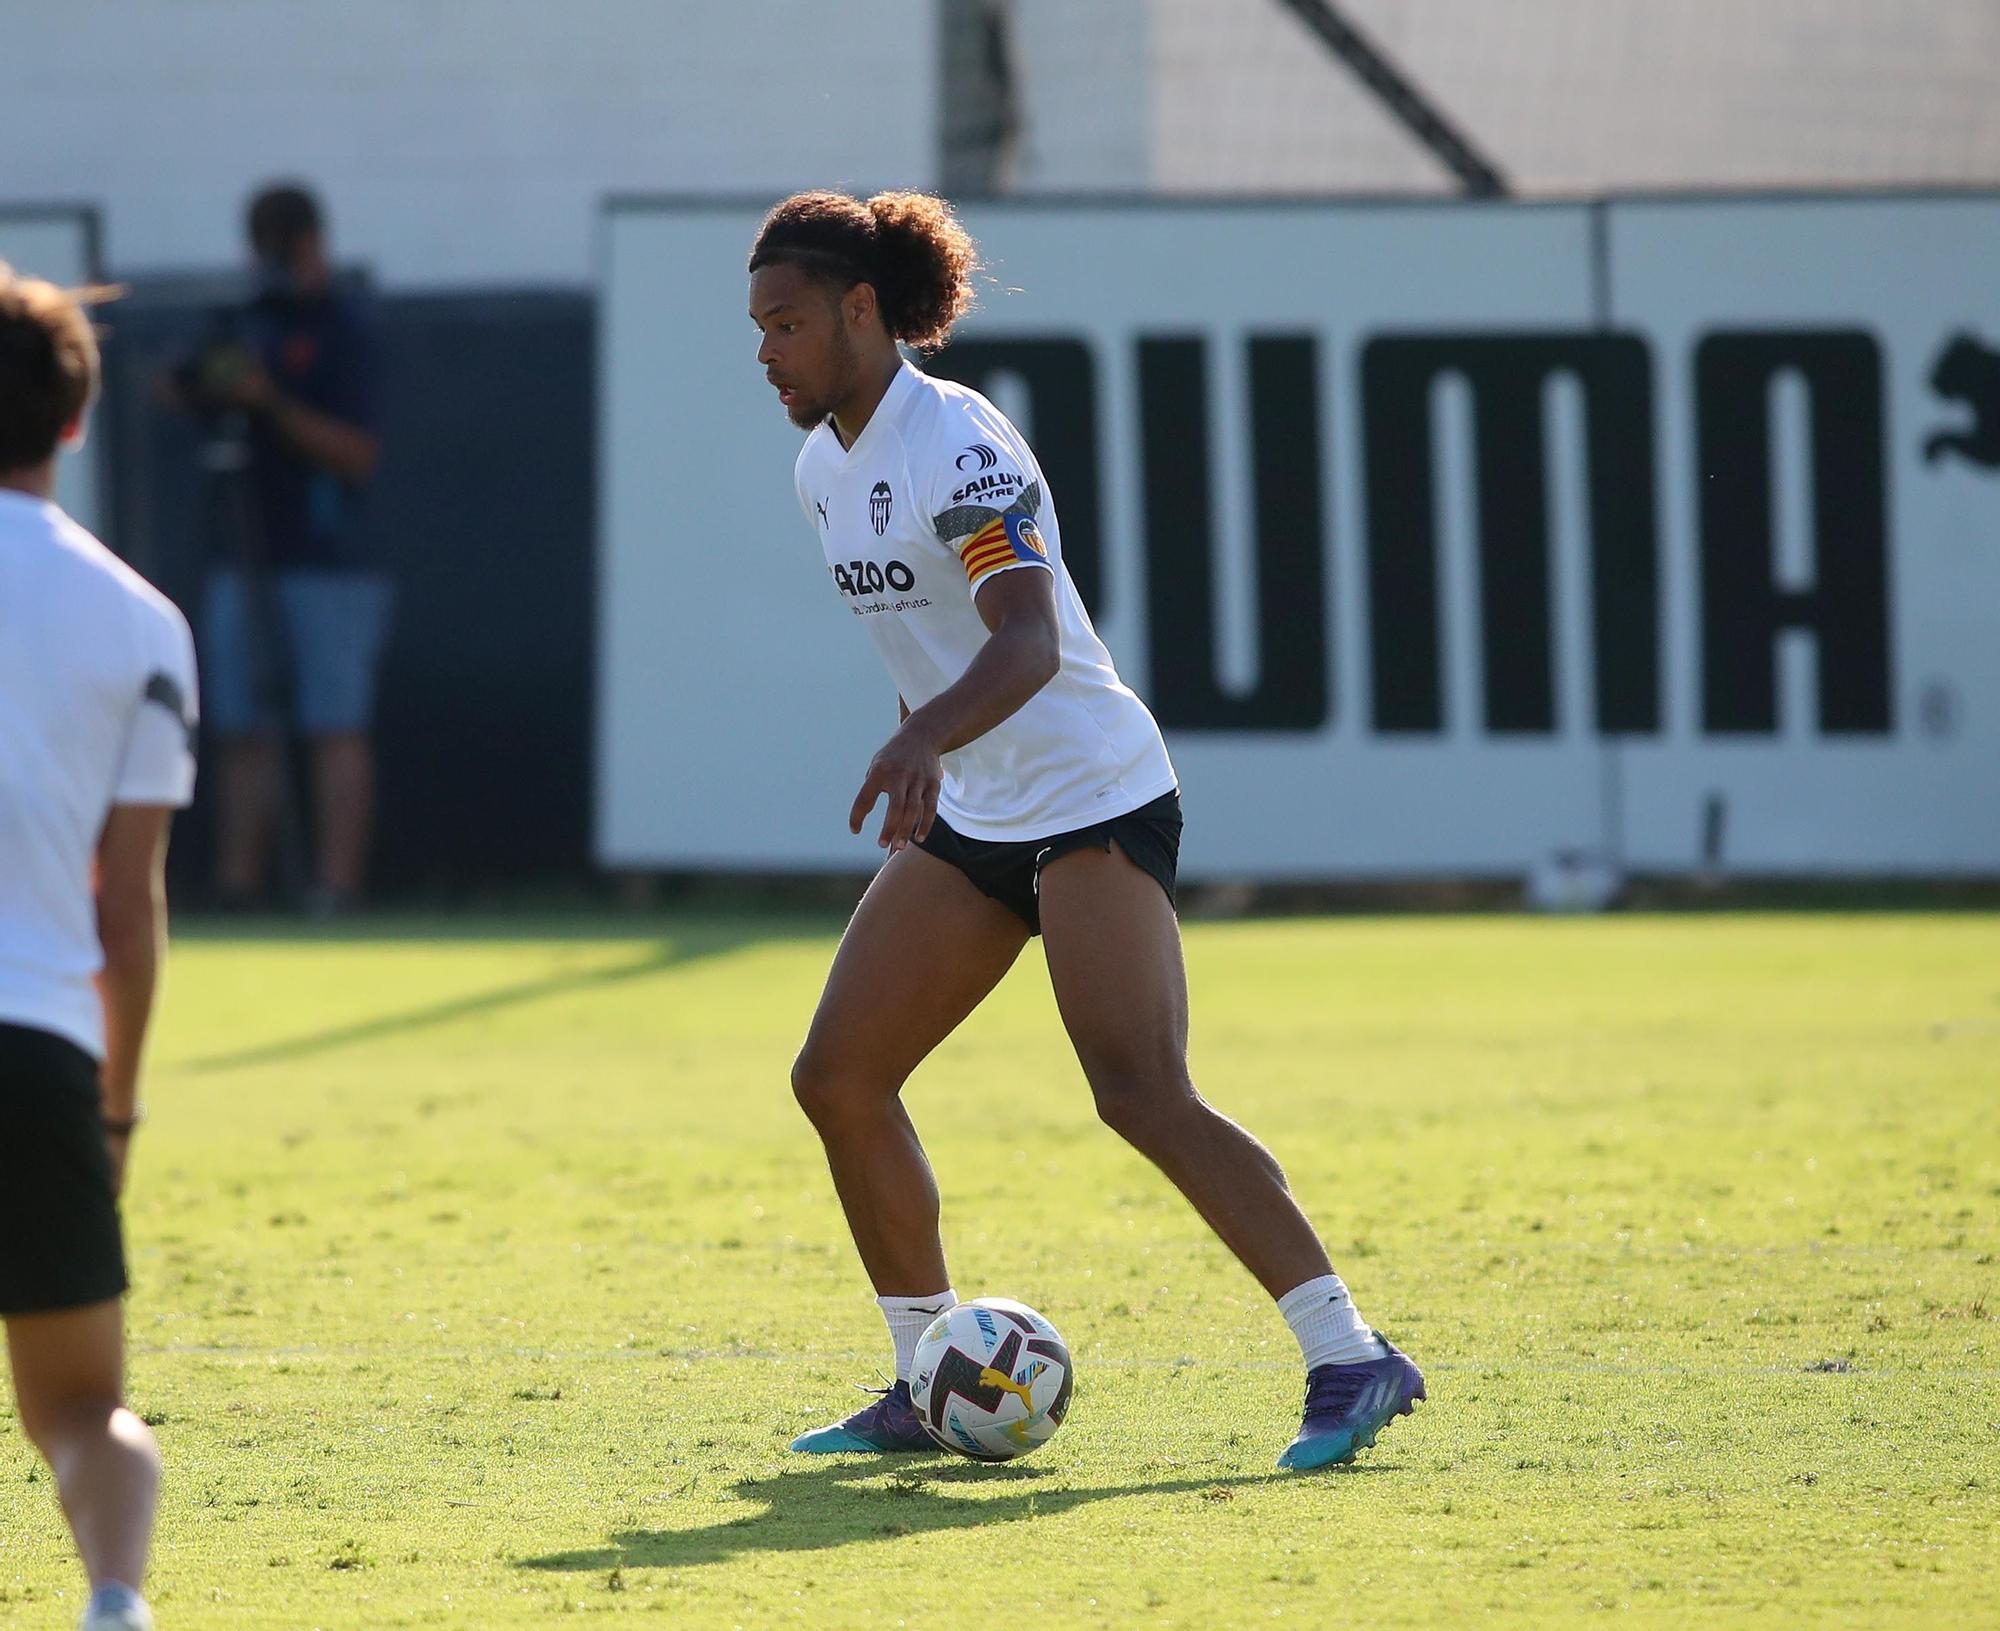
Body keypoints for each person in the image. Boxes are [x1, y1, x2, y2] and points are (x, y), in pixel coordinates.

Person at [747, 191, 1426, 1470]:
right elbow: (922, 644)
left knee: (1138, 1091)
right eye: (756, 329)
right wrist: (929, 756)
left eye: (786, 323)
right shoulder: (817, 470)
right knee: (836, 1077)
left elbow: (1024, 639)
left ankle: (1350, 1353)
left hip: (1094, 797)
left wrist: (916, 739)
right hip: (978, 808)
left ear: (859, 310)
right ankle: (922, 1373)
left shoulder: (956, 441)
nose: (767, 351)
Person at [0, 263, 197, 1631]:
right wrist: (114, 1102)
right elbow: (128, 910)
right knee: (83, 1406)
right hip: (39, 1053)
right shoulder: (141, 620)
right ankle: (114, 1599)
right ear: (73, 421)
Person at [186, 182, 384, 915]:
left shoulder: (347, 326)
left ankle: (335, 887)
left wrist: (270, 402)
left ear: (313, 244)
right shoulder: (247, 321)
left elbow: (357, 454)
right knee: (241, 724)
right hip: (244, 553)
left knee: (335, 723)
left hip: (330, 560)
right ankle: (242, 886)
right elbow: (183, 387)